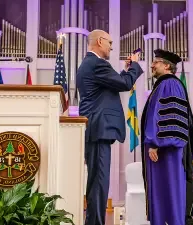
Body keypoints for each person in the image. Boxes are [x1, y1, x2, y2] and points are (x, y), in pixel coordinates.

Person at [76, 29, 143, 225]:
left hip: (97, 128)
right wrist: (135, 66)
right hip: (98, 128)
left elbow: (113, 83)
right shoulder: (97, 64)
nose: (112, 47)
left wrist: (125, 71)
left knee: (98, 181)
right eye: (110, 43)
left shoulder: (92, 64)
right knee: (99, 182)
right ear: (99, 41)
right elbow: (124, 83)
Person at [141, 49, 193, 225]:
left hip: (165, 149)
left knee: (169, 192)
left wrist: (155, 143)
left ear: (167, 65)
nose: (152, 65)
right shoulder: (162, 85)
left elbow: (169, 118)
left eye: (156, 62)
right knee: (161, 192)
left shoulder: (169, 84)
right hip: (162, 147)